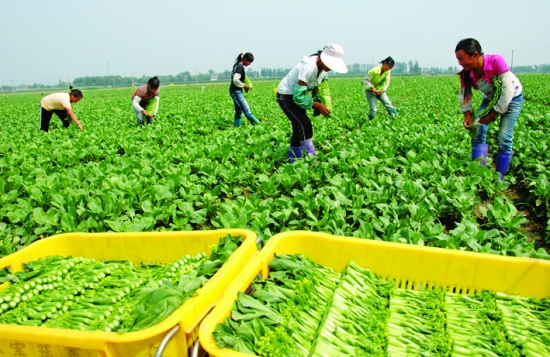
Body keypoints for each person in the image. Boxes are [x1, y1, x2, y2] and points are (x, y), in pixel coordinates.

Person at [455, 38, 523, 181]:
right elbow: (464, 95)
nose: (460, 63)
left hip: (512, 98)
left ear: (474, 54)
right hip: (490, 100)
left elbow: (507, 89)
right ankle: (478, 174)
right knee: (478, 129)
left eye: (461, 59)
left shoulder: (496, 61)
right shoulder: (467, 73)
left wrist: (494, 114)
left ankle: (499, 178)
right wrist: (467, 116)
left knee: (504, 136)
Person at [276, 43, 347, 162]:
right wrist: (318, 105)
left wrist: (324, 103)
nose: (330, 68)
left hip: (298, 96)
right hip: (286, 96)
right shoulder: (308, 67)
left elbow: (322, 88)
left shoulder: (324, 70)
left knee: (298, 126)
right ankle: (311, 158)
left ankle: (293, 158)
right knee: (304, 124)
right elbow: (297, 97)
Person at [230, 52, 260, 127]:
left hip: (234, 91)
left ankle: (237, 128)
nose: (249, 64)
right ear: (245, 59)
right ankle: (259, 125)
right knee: (247, 111)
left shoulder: (237, 65)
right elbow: (235, 80)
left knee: (238, 111)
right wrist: (244, 86)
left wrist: (243, 54)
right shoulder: (240, 67)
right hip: (236, 92)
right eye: (249, 62)